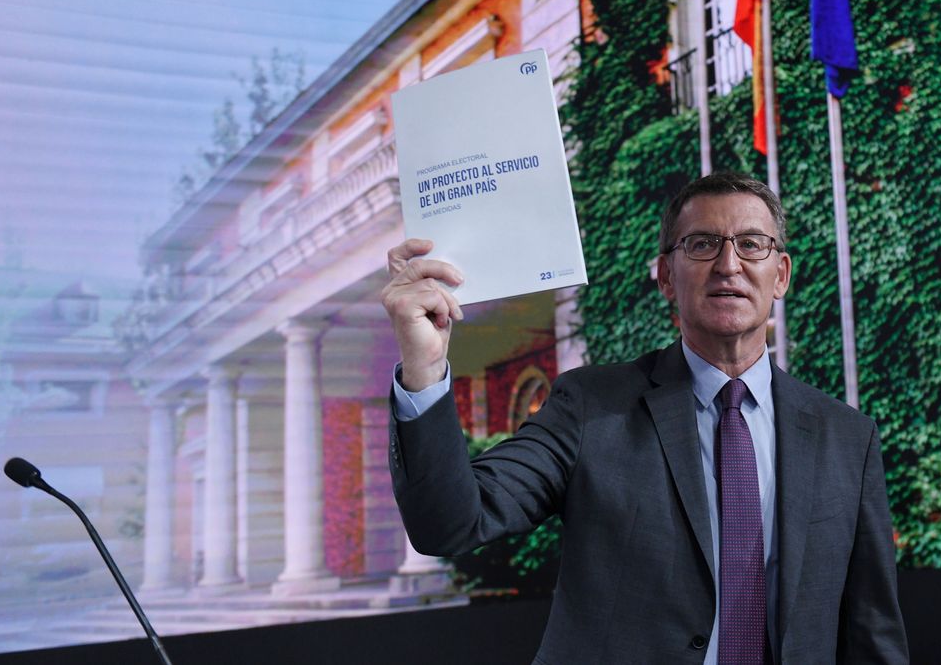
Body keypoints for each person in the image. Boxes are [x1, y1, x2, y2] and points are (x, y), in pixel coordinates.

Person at [380, 172, 909, 664]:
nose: (729, 264)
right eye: (702, 244)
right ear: (665, 278)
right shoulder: (590, 407)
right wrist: (423, 369)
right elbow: (451, 523)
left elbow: (871, 630)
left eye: (752, 244)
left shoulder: (846, 437)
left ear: (781, 275)